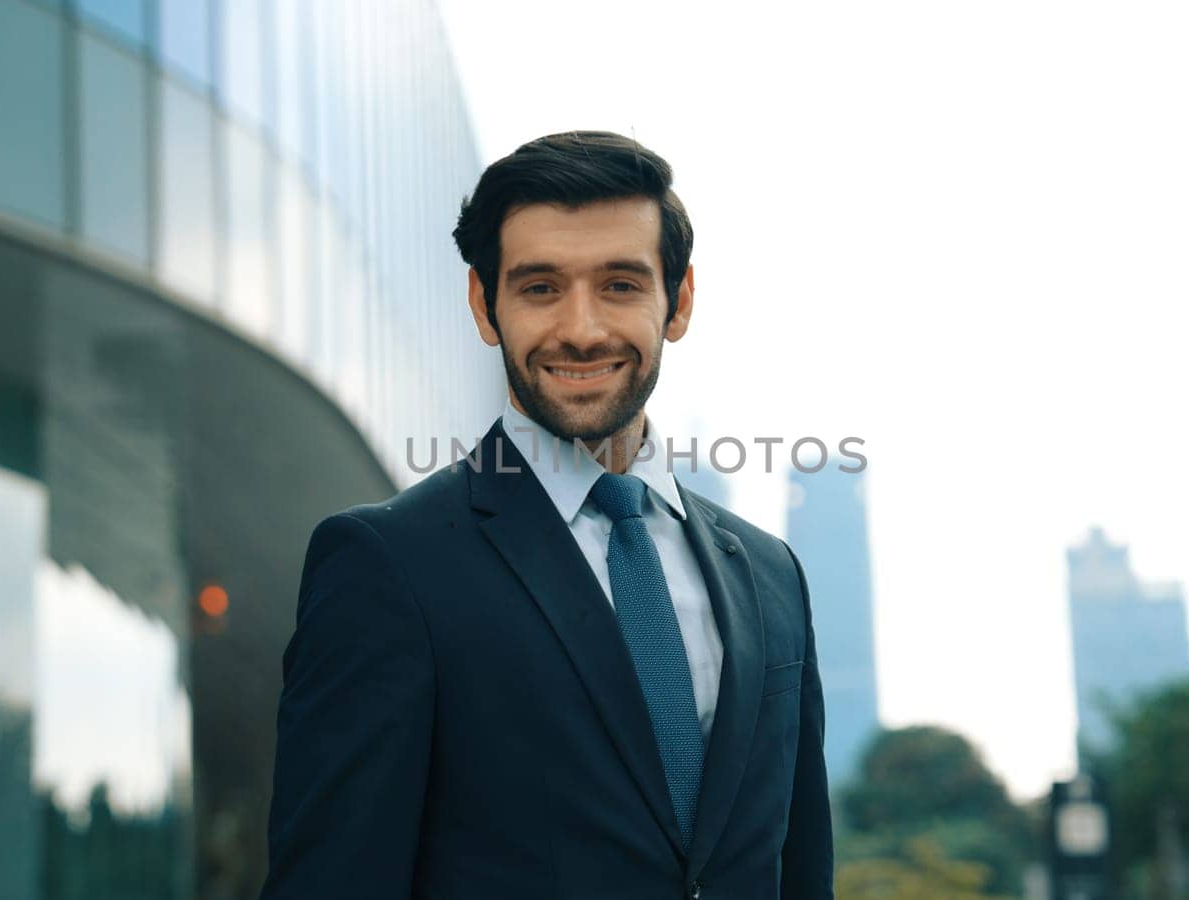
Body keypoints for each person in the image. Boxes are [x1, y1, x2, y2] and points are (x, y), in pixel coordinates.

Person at [260, 131, 833, 899]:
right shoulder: (386, 567)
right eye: (539, 287)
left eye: (621, 285)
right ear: (483, 304)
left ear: (680, 300)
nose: (582, 329)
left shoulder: (772, 577)